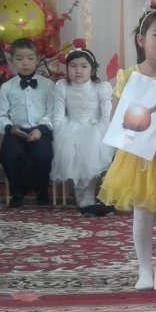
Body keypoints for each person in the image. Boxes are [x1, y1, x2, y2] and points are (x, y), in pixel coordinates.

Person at [98, 10, 156, 291]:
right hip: (136, 157)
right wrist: (133, 139)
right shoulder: (128, 76)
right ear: (141, 39)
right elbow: (115, 117)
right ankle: (144, 269)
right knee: (142, 215)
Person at [50, 47, 115, 216]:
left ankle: (94, 198)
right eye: (73, 66)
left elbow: (106, 116)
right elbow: (58, 116)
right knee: (74, 152)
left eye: (84, 66)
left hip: (96, 129)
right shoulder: (62, 87)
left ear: (92, 70)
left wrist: (102, 135)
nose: (78, 71)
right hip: (71, 128)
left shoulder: (101, 88)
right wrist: (59, 137)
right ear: (67, 69)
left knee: (92, 151)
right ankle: (83, 200)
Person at [0, 38, 54, 208]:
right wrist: (10, 128)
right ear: (11, 61)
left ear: (37, 59)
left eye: (30, 58)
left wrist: (40, 129)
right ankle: (17, 193)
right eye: (20, 59)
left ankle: (42, 193)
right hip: (16, 131)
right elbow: (0, 116)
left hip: (40, 131)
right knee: (9, 155)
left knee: (43, 155)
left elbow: (52, 112)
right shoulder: (7, 87)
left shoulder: (48, 85)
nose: (25, 63)